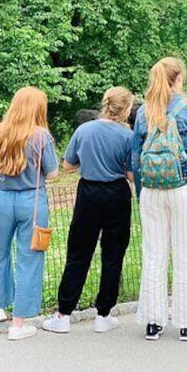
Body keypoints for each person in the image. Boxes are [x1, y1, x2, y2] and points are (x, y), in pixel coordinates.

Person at [42, 87, 134, 335]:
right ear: (125, 109)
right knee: (113, 254)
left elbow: (69, 165)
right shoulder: (128, 136)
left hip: (89, 193)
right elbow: (131, 174)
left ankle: (63, 314)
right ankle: (104, 313)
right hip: (117, 193)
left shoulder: (84, 130)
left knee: (79, 252)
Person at [133, 57, 187, 341]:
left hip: (152, 189)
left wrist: (141, 190)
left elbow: (135, 156)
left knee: (154, 254)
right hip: (183, 185)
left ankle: (153, 322)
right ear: (179, 79)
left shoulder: (143, 112)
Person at [0, 86, 58, 341]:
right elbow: (51, 173)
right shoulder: (41, 136)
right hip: (31, 200)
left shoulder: (0, 132)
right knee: (29, 257)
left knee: (0, 251)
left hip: (2, 199)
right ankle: (18, 324)